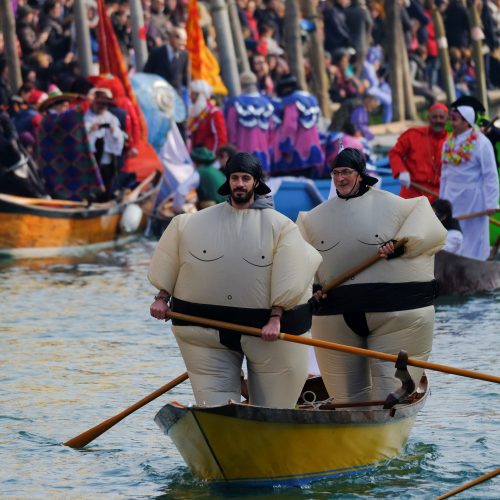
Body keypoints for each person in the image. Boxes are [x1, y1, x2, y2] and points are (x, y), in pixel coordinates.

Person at [149, 152, 322, 408]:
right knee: (215, 407)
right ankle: (223, 424)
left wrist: (276, 317)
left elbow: (293, 273)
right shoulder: (189, 224)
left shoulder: (282, 227)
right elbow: (171, 257)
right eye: (235, 178)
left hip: (266, 331)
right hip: (205, 330)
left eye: (245, 178)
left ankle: (269, 420)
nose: (239, 184)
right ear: (228, 181)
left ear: (255, 182)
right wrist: (162, 298)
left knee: (274, 408)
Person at [297, 148, 446, 402]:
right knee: (346, 401)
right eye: (335, 173)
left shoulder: (398, 207)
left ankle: (385, 425)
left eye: (346, 172)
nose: (340, 178)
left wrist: (402, 245)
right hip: (336, 315)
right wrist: (310, 288)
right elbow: (298, 259)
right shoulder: (312, 219)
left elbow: (430, 228)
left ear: (361, 174)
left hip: (394, 313)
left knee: (388, 396)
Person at [440, 105, 499, 260]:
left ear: (466, 122)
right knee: (452, 236)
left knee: (474, 238)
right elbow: (444, 174)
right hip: (451, 198)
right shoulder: (448, 143)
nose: (451, 123)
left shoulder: (481, 142)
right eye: (451, 119)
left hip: (474, 200)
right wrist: (441, 200)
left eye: (455, 119)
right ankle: (454, 269)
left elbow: (490, 174)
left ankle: (475, 268)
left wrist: (491, 202)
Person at [388, 103, 449, 202]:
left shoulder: (453, 141)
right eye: (434, 117)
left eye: (441, 117)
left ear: (447, 119)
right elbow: (394, 154)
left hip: (439, 196)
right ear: (428, 118)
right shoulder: (412, 135)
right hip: (413, 192)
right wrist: (401, 171)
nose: (438, 120)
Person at [271, 74, 324, 177]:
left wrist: (285, 147)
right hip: (314, 149)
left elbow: (290, 127)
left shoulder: (291, 101)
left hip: (297, 152)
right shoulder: (312, 99)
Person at [223, 71, 274, 173]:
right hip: (264, 151)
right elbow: (271, 129)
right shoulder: (267, 103)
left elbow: (231, 128)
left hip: (242, 150)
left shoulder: (235, 103)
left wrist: (232, 146)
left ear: (241, 84)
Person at [84, 88, 127, 199]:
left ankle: (106, 197)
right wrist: (91, 129)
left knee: (107, 179)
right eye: (99, 104)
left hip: (106, 157)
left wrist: (113, 131)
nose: (101, 107)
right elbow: (81, 134)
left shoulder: (111, 118)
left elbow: (120, 137)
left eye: (104, 104)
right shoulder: (86, 117)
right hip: (91, 158)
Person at [187, 79, 228, 154]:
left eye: (192, 94)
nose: (190, 97)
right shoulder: (196, 113)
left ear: (200, 95)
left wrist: (215, 157)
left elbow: (220, 138)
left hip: (209, 157)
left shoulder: (214, 113)